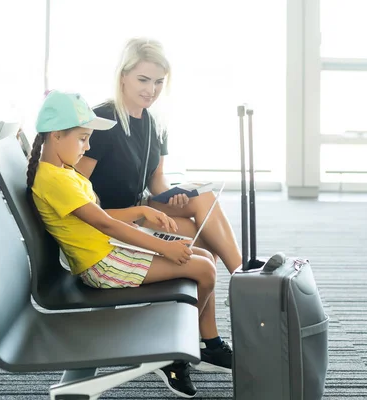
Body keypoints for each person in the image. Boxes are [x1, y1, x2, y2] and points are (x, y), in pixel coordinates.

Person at [27, 90, 231, 398]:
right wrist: (163, 247)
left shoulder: (63, 173)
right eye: (83, 138)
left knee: (202, 255)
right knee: (203, 269)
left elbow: (98, 215)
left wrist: (141, 210)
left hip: (106, 250)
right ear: (57, 136)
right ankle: (175, 350)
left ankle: (182, 342)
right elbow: (106, 224)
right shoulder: (56, 180)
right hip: (102, 264)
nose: (89, 146)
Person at [74, 37, 243, 278]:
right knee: (203, 238)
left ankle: (241, 276)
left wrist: (175, 196)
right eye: (143, 80)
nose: (151, 90)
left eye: (158, 82)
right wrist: (129, 215)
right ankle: (244, 278)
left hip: (141, 208)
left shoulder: (154, 123)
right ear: (123, 76)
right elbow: (77, 187)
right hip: (110, 218)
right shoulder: (102, 120)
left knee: (203, 201)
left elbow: (156, 179)